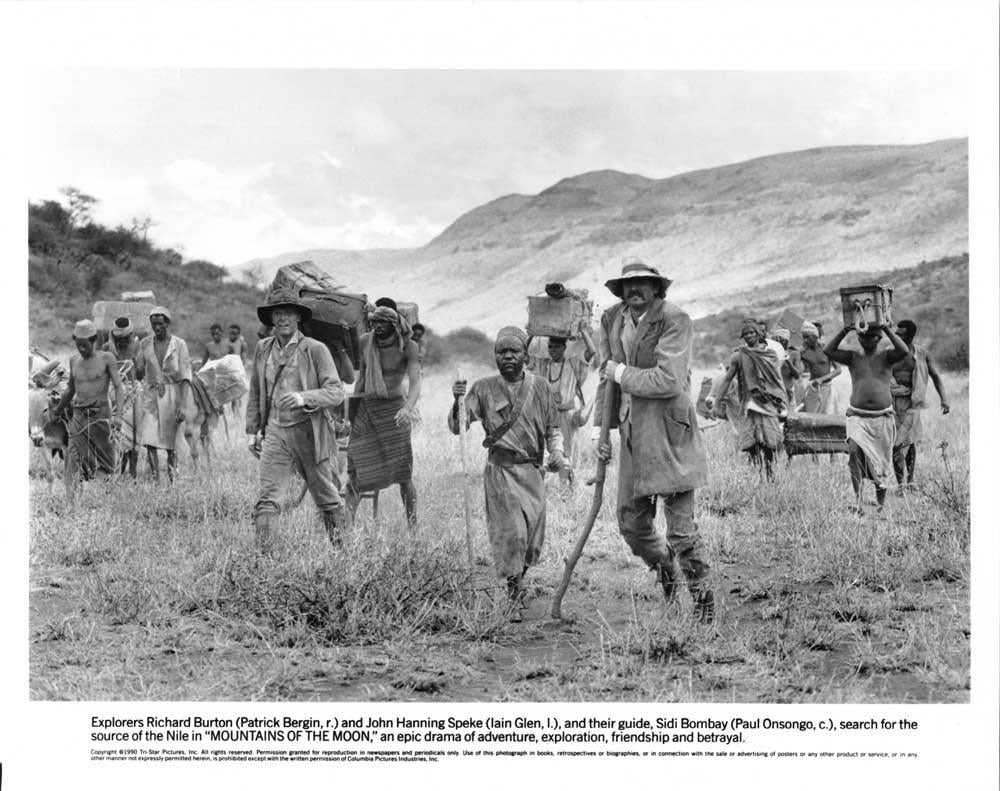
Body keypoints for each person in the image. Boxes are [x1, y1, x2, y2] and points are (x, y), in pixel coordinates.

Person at [594, 258, 714, 622]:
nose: (635, 291)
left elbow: (668, 381)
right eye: (628, 285)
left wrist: (621, 372)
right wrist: (603, 429)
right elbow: (606, 376)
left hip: (669, 435)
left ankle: (703, 601)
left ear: (657, 287)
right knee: (631, 523)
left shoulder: (674, 319)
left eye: (643, 284)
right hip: (633, 434)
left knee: (681, 532)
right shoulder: (612, 320)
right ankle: (666, 574)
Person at [449, 326, 566, 616]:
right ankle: (513, 594)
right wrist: (457, 401)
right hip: (500, 472)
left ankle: (520, 581)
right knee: (511, 534)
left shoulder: (541, 387)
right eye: (502, 352)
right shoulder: (483, 388)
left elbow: (553, 430)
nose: (508, 357)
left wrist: (559, 454)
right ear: (495, 357)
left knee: (531, 538)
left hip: (533, 473)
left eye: (514, 351)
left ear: (526, 356)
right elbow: (457, 427)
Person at [246, 289, 347, 550]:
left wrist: (303, 398)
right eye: (278, 313)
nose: (283, 319)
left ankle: (344, 552)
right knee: (269, 498)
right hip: (275, 431)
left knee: (326, 496)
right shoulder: (262, 348)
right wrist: (252, 430)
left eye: (288, 313)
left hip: (309, 431)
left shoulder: (315, 350)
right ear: (271, 318)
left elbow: (336, 391)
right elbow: (256, 390)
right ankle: (265, 562)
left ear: (298, 317)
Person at [346, 305, 421, 526]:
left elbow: (416, 383)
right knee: (358, 470)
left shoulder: (408, 346)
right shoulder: (365, 342)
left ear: (394, 324)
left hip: (394, 411)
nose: (377, 327)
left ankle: (413, 526)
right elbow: (360, 379)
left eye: (382, 323)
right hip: (367, 408)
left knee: (403, 475)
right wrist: (351, 413)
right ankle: (346, 530)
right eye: (374, 322)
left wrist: (407, 408)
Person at [824, 323, 910, 511]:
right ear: (859, 338)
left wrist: (886, 328)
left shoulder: (887, 357)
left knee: (882, 461)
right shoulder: (853, 358)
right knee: (854, 453)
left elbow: (903, 350)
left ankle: (880, 505)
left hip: (882, 418)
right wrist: (845, 330)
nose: (867, 340)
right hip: (857, 417)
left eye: (872, 336)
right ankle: (858, 501)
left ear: (878, 339)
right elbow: (828, 350)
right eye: (863, 336)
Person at [707, 319, 787, 480]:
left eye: (752, 333)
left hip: (769, 402)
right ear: (742, 337)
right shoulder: (738, 356)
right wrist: (717, 401)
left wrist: (780, 398)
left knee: (770, 440)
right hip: (749, 403)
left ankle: (770, 472)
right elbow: (728, 379)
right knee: (752, 440)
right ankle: (758, 470)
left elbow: (776, 380)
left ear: (758, 334)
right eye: (746, 334)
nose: (749, 336)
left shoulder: (770, 354)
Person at [54, 319, 125, 501]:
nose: (81, 349)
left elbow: (118, 387)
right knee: (73, 456)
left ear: (94, 340)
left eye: (85, 345)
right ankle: (71, 501)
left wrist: (118, 415)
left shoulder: (107, 358)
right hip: (79, 415)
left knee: (108, 461)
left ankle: (109, 499)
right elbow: (70, 389)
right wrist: (58, 409)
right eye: (78, 345)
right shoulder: (74, 360)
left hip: (100, 415)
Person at [528, 325, 595, 484]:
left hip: (567, 417)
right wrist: (531, 334)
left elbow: (591, 352)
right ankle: (551, 488)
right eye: (550, 346)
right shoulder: (544, 365)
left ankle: (568, 491)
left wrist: (584, 332)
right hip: (548, 417)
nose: (553, 350)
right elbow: (524, 354)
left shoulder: (573, 364)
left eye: (557, 347)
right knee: (548, 452)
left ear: (564, 347)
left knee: (567, 454)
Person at [135, 307, 195, 483]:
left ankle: (173, 480)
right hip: (152, 395)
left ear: (167, 323)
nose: (157, 327)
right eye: (154, 324)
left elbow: (185, 376)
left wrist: (183, 405)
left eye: (160, 324)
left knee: (172, 443)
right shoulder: (145, 344)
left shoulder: (179, 345)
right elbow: (139, 373)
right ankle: (155, 480)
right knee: (149, 439)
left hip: (173, 395)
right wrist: (137, 367)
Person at [890, 319, 950, 488]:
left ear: (909, 336)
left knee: (909, 441)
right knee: (895, 444)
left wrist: (944, 399)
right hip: (893, 403)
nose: (896, 336)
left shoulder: (922, 354)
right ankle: (901, 484)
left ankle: (910, 481)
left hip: (913, 403)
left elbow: (936, 376)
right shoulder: (891, 353)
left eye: (900, 334)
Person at [103, 317, 142, 478]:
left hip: (133, 393)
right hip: (112, 393)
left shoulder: (137, 346)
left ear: (130, 335)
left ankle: (132, 472)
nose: (122, 342)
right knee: (114, 434)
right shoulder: (107, 347)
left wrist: (135, 364)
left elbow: (141, 373)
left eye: (125, 338)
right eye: (119, 339)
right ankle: (115, 470)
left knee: (135, 434)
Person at [799, 321, 842, 413]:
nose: (805, 340)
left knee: (827, 414)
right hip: (813, 386)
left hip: (827, 387)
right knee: (811, 414)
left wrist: (822, 379)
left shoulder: (827, 349)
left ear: (815, 336)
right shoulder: (803, 353)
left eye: (807, 337)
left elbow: (838, 370)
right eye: (804, 338)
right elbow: (799, 371)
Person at [772, 327, 804, 409]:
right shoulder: (771, 353)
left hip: (788, 391)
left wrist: (787, 361)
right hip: (775, 391)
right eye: (778, 340)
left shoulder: (794, 353)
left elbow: (797, 375)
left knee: (790, 416)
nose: (783, 343)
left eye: (785, 340)